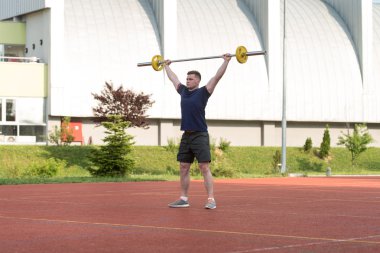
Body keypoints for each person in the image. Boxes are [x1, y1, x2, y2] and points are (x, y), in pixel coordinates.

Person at [164, 54, 232, 209]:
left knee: (204, 167)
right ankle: (183, 198)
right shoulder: (183, 92)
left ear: (198, 81)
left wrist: (226, 61)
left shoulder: (203, 92)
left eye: (191, 79)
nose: (187, 81)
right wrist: (166, 65)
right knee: (183, 167)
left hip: (200, 134)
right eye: (187, 78)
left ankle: (211, 199)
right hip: (186, 135)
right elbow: (173, 78)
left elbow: (217, 77)